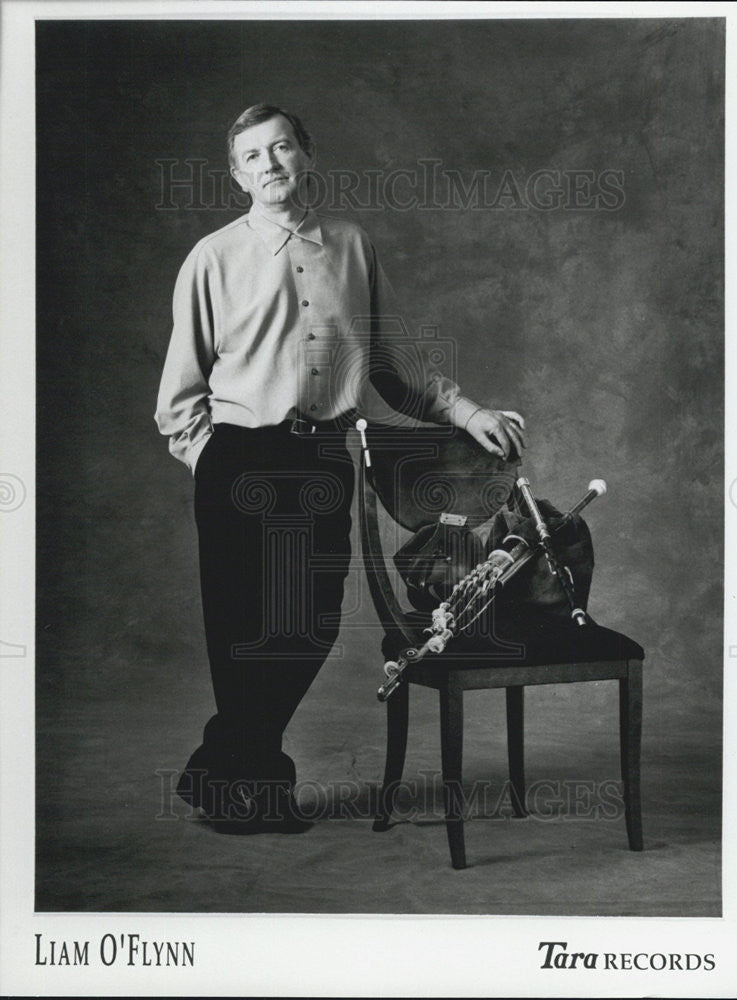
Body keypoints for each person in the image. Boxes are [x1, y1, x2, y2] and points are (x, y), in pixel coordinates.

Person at [155, 104, 524, 834]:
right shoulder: (211, 258)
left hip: (324, 455)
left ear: (306, 156)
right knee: (243, 634)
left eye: (281, 148)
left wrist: (467, 411)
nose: (269, 164)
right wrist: (213, 461)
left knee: (308, 625)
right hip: (239, 459)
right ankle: (254, 790)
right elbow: (178, 399)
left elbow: (392, 368)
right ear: (237, 176)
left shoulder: (352, 247)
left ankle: (216, 768)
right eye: (252, 156)